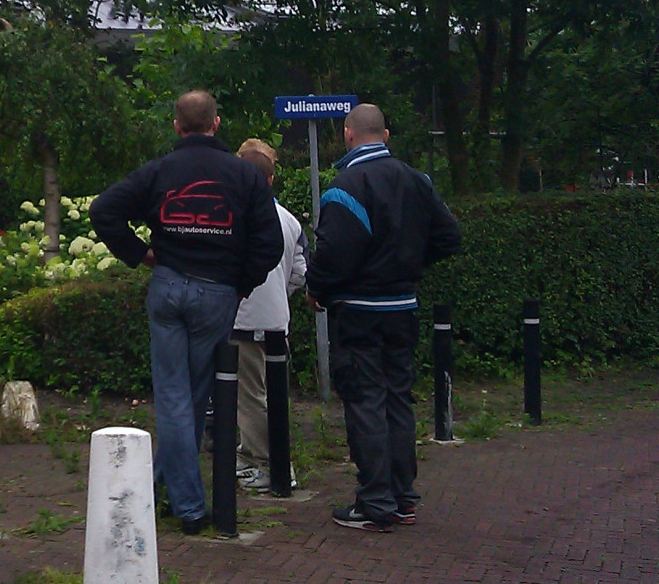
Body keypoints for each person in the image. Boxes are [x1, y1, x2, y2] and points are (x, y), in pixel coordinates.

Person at [90, 91, 283, 535]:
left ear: (177, 126)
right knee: (191, 398)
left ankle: (163, 489)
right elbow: (269, 244)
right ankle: (191, 507)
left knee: (177, 397)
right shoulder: (243, 175)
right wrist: (238, 284)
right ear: (216, 124)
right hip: (216, 292)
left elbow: (104, 211)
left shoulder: (158, 171)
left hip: (168, 287)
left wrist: (141, 254)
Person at [306, 104, 461, 532]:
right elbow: (449, 238)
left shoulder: (345, 187)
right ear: (386, 135)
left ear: (348, 134)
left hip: (358, 313)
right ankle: (403, 497)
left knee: (366, 402)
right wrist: (407, 263)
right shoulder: (419, 182)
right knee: (398, 399)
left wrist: (318, 290)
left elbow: (333, 254)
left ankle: (374, 502)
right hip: (402, 308)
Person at [232, 139, 309, 491]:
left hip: (244, 320)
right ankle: (272, 458)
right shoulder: (290, 221)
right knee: (273, 394)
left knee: (249, 398)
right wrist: (281, 294)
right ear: (272, 178)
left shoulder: (236, 217)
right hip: (278, 320)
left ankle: (262, 463)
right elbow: (300, 272)